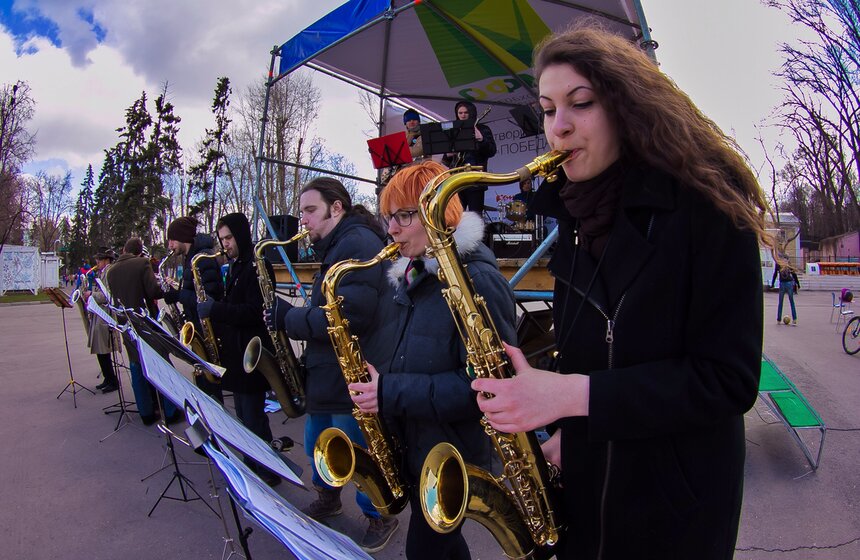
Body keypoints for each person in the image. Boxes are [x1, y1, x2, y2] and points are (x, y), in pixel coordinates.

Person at [471, 26, 768, 560]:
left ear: (626, 107)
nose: (558, 129)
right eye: (546, 109)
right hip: (589, 499)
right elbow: (597, 356)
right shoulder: (574, 215)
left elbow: (729, 381)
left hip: (675, 516)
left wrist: (568, 396)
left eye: (579, 104)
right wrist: (569, 431)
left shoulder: (710, 208)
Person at [348, 161, 517, 560]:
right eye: (388, 217)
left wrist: (388, 391)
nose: (391, 229)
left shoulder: (477, 282)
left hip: (452, 455)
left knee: (427, 551)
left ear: (441, 214)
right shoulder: (414, 277)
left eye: (404, 216)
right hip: (417, 443)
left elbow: (489, 387)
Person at [265, 177, 399, 552]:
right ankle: (328, 497)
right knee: (320, 445)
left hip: (350, 373)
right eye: (302, 211)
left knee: (357, 453)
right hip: (329, 369)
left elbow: (352, 316)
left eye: (310, 210)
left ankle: (379, 514)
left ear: (336, 207)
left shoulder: (356, 243)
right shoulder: (338, 243)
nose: (302, 220)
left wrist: (289, 318)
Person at [197, 213, 280, 486]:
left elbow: (255, 312)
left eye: (229, 238)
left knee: (253, 417)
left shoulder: (257, 264)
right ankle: (254, 462)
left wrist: (217, 309)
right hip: (238, 353)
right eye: (222, 239)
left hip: (252, 355)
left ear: (241, 235)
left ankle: (267, 469)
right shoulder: (234, 266)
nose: (225, 244)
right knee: (244, 416)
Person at [106, 237, 182, 426]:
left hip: (126, 323)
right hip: (145, 321)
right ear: (140, 252)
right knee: (161, 363)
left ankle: (146, 413)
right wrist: (164, 287)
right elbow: (153, 293)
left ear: (124, 250)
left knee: (136, 365)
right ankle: (171, 411)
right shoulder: (142, 264)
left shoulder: (111, 270)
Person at [163, 216, 225, 401]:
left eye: (172, 240)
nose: (170, 246)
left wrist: (178, 295)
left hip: (206, 329)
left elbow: (208, 297)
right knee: (203, 378)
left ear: (182, 237)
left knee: (210, 381)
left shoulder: (202, 259)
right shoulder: (190, 258)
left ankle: (217, 415)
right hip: (195, 324)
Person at [441, 101, 497, 213]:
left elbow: (491, 151)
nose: (463, 115)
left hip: (475, 179)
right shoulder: (454, 131)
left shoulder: (483, 129)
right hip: (457, 180)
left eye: (466, 112)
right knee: (456, 216)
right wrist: (448, 154)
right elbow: (446, 161)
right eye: (460, 113)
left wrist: (481, 139)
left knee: (475, 215)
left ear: (471, 113)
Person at [85, 248, 119, 393]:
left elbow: (108, 295)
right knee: (100, 350)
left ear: (106, 260)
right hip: (99, 313)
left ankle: (112, 380)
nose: (96, 262)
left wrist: (91, 295)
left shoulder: (110, 272)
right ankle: (108, 378)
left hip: (106, 314)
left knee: (104, 349)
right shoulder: (102, 272)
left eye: (99, 260)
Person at [776, 260, 800, 325]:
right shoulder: (788, 263)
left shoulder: (778, 263)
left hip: (782, 284)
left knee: (780, 302)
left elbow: (775, 273)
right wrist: (798, 283)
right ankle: (794, 319)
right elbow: (794, 274)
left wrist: (772, 283)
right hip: (789, 283)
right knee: (791, 301)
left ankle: (778, 319)